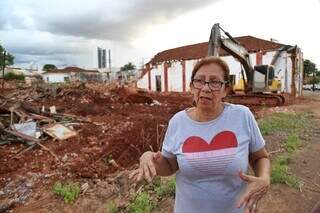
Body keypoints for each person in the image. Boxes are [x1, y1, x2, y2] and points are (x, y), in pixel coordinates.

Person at [130, 56, 270, 213]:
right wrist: (150, 158)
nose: (206, 88)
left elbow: (260, 157)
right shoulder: (178, 122)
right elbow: (170, 166)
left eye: (215, 82)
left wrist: (264, 179)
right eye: (200, 81)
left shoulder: (242, 116)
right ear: (191, 87)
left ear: (225, 90)